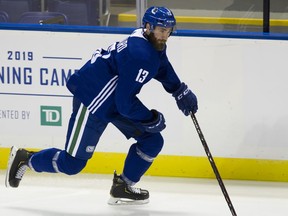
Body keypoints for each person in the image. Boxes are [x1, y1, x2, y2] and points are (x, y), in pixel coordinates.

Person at [5, 6, 198, 205]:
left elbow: (161, 65)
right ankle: (25, 158)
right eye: (161, 30)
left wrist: (178, 89)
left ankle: (123, 186)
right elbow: (125, 104)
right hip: (92, 99)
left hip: (113, 101)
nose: (165, 35)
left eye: (168, 30)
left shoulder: (149, 41)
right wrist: (150, 118)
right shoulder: (141, 54)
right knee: (72, 164)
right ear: (148, 26)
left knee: (152, 141)